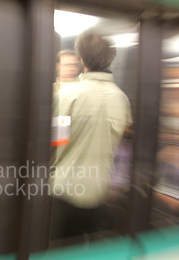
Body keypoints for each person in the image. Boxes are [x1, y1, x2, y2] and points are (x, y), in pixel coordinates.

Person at [49, 31, 132, 240]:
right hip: (100, 193)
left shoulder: (67, 97)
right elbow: (120, 143)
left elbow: (56, 143)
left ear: (82, 59)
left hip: (64, 192)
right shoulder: (122, 100)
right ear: (111, 58)